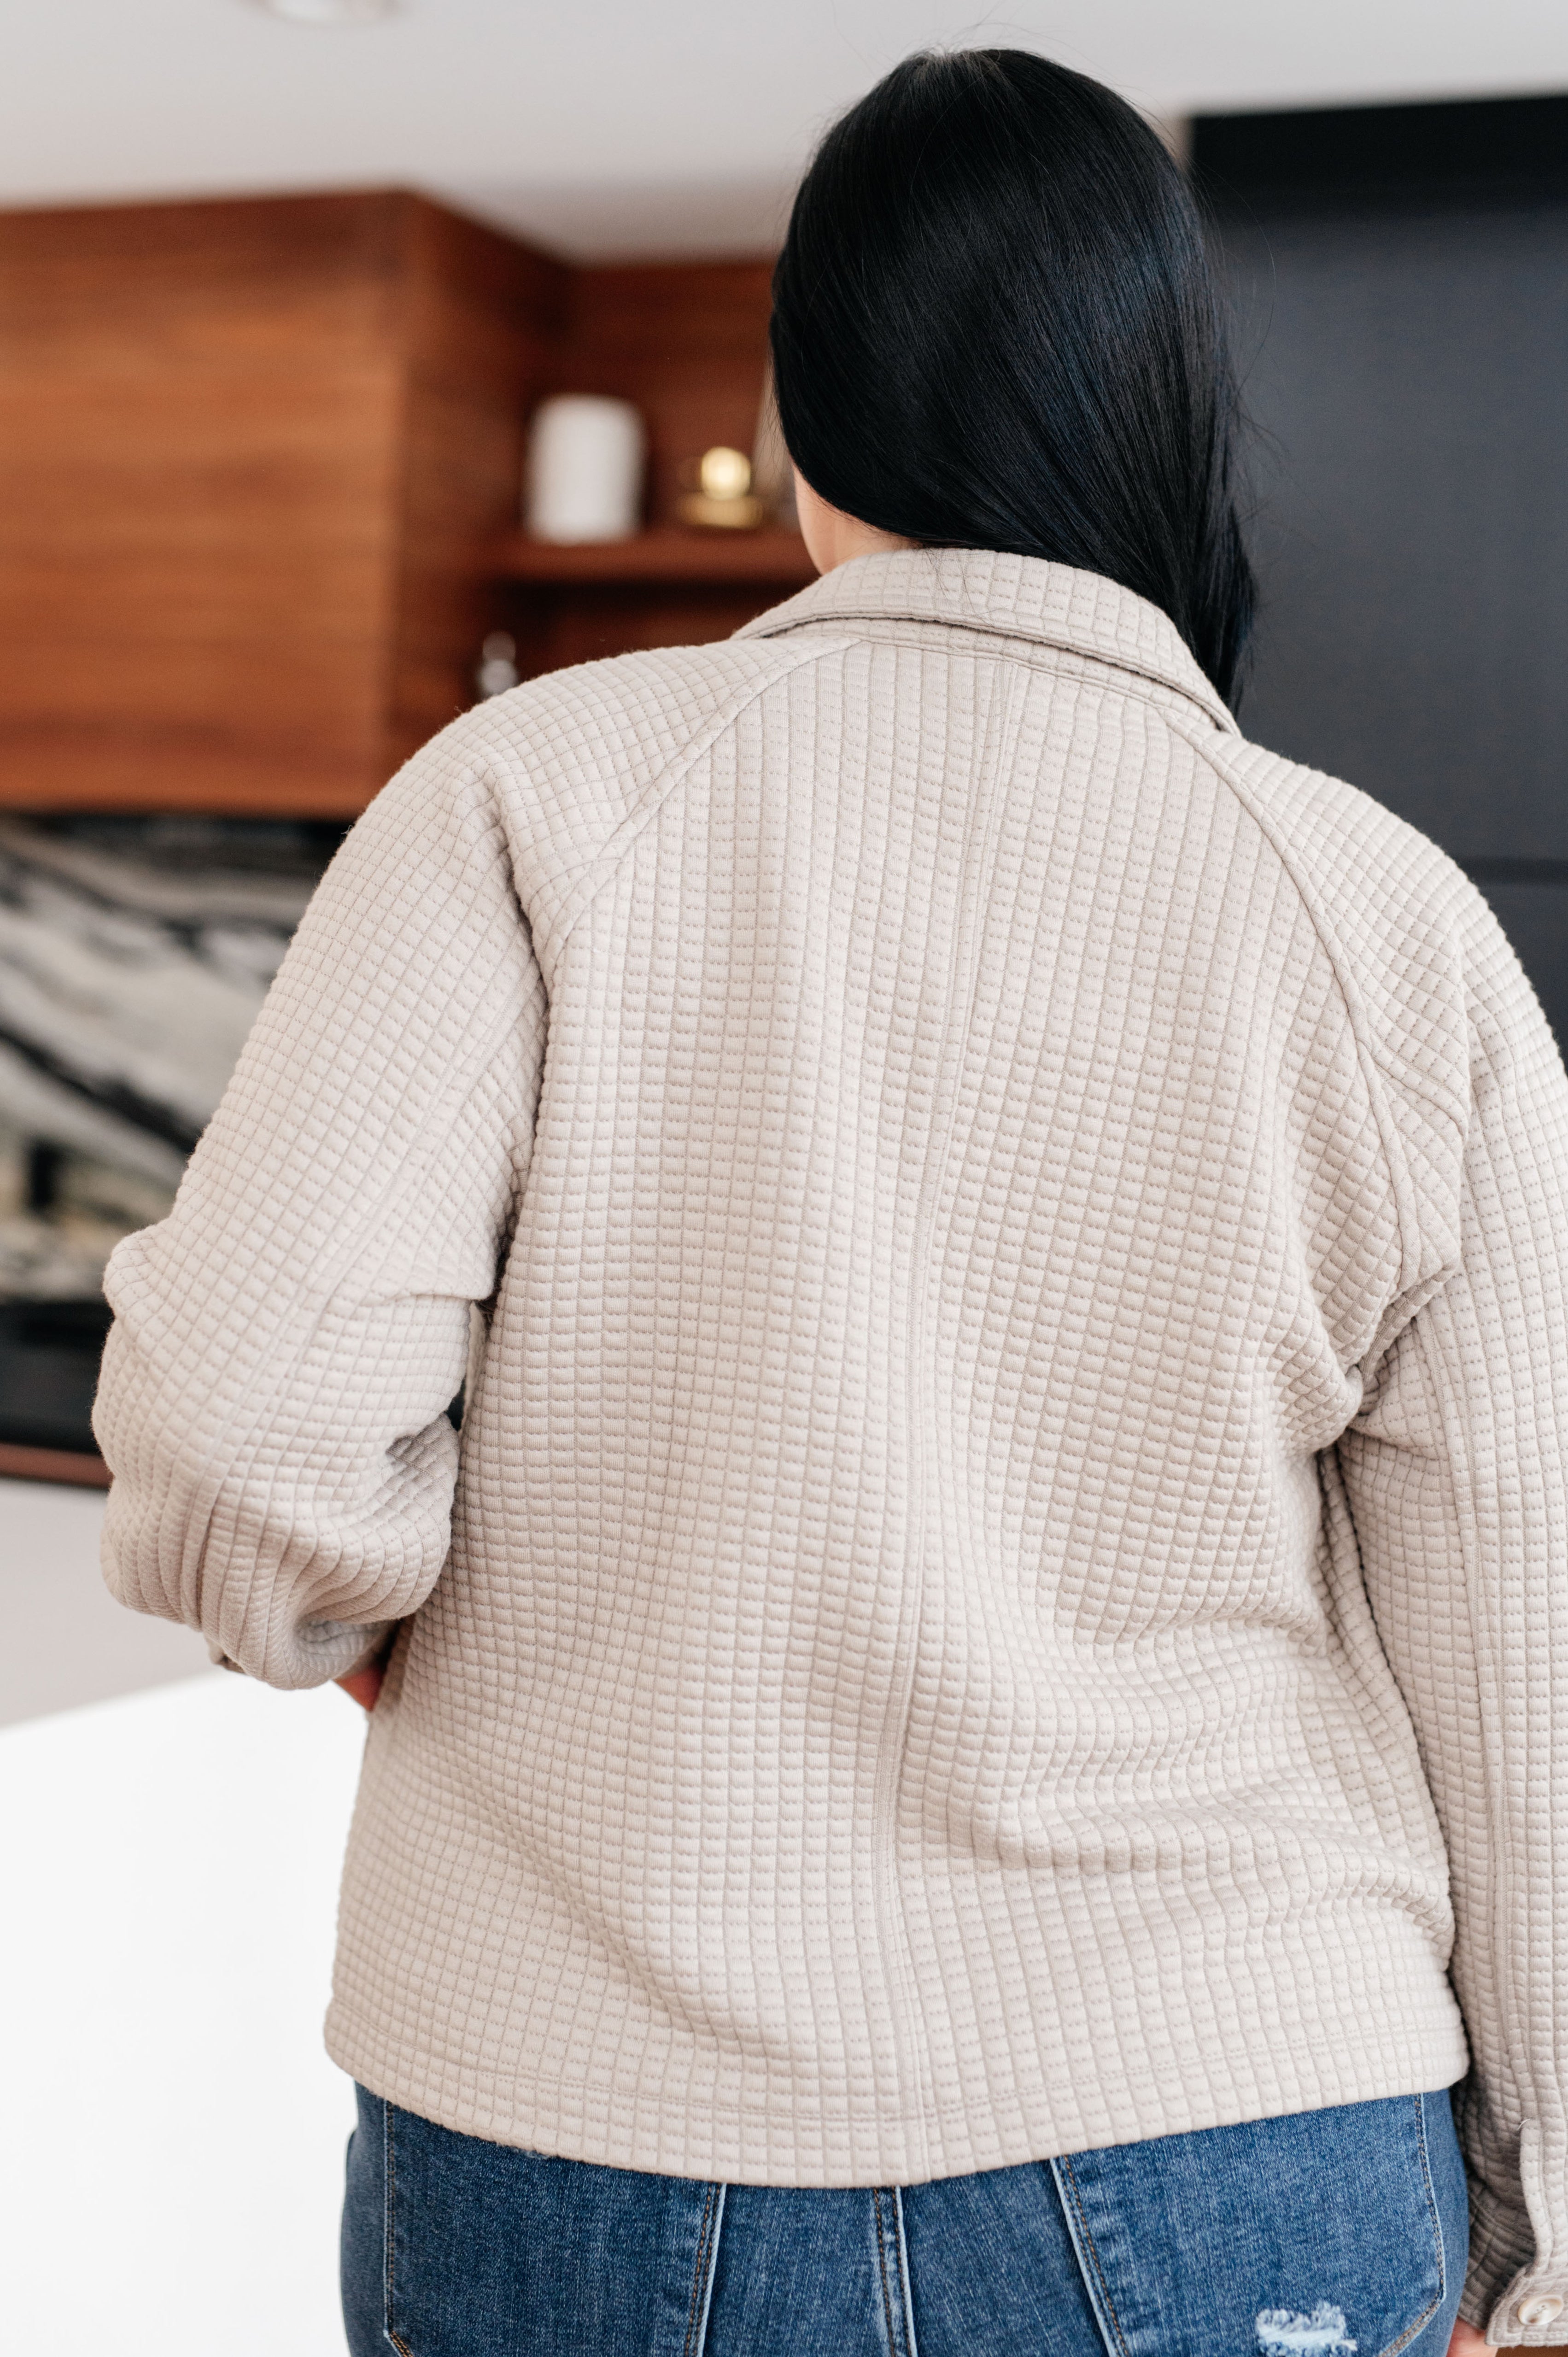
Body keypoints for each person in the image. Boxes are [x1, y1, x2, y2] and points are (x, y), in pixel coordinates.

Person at [94, 47, 1568, 2357]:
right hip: (1228, 2121)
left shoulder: (528, 796)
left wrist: (337, 1612)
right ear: (1169, 419)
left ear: (799, 421)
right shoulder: (1379, 920)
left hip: (574, 2130)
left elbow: (244, 1442)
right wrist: (1537, 2202)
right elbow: (1523, 1635)